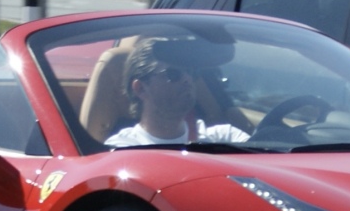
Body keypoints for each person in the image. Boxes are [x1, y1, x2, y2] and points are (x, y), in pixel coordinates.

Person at [102, 36, 250, 147]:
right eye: (173, 74)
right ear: (140, 89)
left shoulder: (225, 138)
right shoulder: (123, 148)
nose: (187, 79)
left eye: (190, 72)